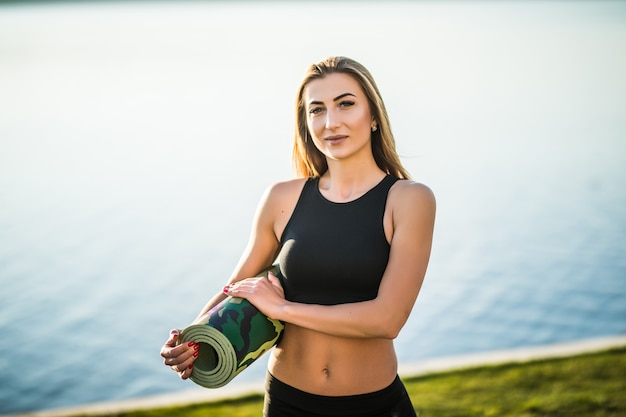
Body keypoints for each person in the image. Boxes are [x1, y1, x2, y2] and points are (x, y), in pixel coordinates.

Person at [160, 56, 436, 417]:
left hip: (374, 405)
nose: (331, 122)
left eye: (346, 104)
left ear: (373, 116)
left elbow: (387, 319)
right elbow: (237, 287)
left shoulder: (410, 200)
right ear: (306, 124)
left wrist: (284, 309)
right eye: (316, 110)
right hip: (287, 402)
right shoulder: (281, 198)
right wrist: (194, 337)